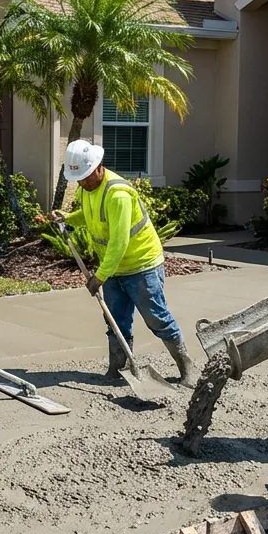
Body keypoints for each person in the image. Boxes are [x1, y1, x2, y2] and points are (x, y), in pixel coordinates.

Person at [55, 139, 194, 384]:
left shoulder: (118, 194)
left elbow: (118, 244)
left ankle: (187, 368)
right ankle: (117, 369)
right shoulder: (88, 189)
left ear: (99, 166)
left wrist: (99, 277)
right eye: (79, 178)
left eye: (87, 176)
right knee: (116, 320)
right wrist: (68, 218)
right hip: (113, 269)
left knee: (157, 319)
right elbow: (91, 216)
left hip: (141, 265)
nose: (83, 182)